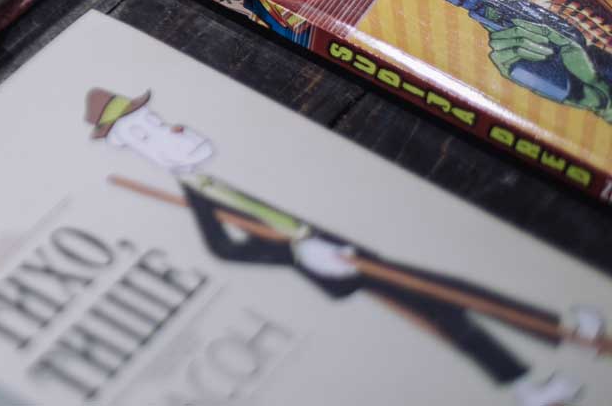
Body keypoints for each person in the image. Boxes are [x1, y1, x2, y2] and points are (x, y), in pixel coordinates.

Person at [90, 87, 600, 406]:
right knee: (448, 302)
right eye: (144, 133)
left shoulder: (220, 163)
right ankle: (545, 361)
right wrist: (298, 254)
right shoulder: (201, 192)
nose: (165, 129)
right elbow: (225, 249)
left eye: (154, 122)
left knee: (446, 302)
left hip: (345, 234)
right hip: (329, 260)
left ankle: (542, 364)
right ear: (131, 148)